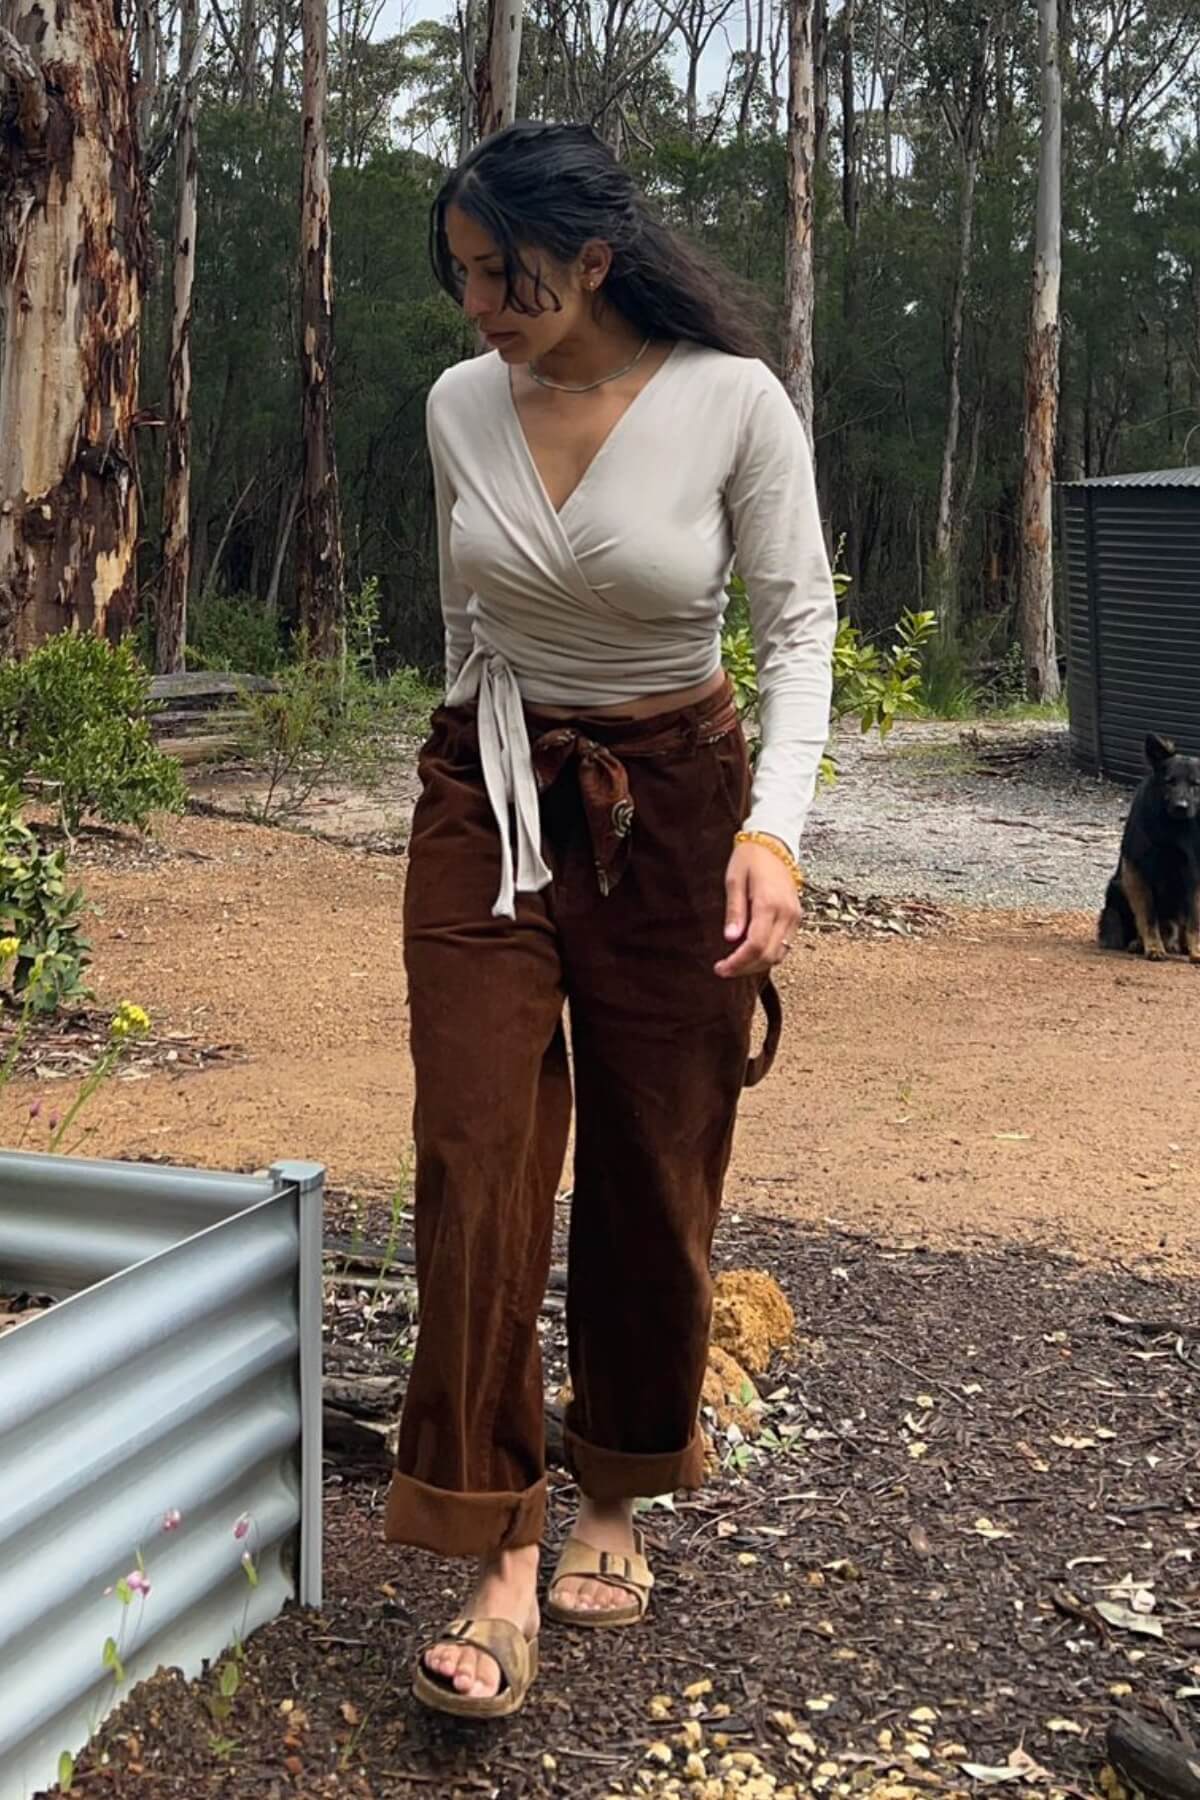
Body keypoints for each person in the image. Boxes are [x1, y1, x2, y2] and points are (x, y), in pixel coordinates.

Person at [385, 119, 837, 1720]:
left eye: (499, 276)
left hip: (680, 802)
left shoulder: (732, 400)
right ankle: (494, 1539)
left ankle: (618, 1489)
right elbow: (469, 617)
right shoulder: (459, 405)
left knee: (656, 1152)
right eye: (459, 276)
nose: (475, 310)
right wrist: (473, 784)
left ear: (591, 259)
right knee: (474, 1142)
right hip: (495, 789)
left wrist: (773, 836)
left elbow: (798, 623)